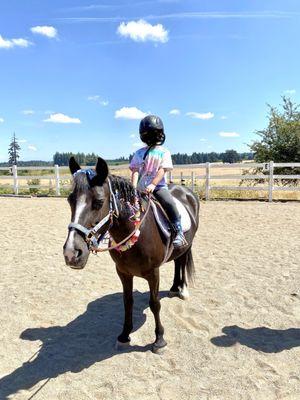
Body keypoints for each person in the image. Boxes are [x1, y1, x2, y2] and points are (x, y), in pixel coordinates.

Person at [129, 114, 187, 248]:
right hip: (141, 188)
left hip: (158, 187)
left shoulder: (164, 152)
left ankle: (178, 231)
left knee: (169, 203)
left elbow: (163, 169)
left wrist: (153, 184)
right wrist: (133, 188)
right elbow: (135, 171)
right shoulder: (138, 153)